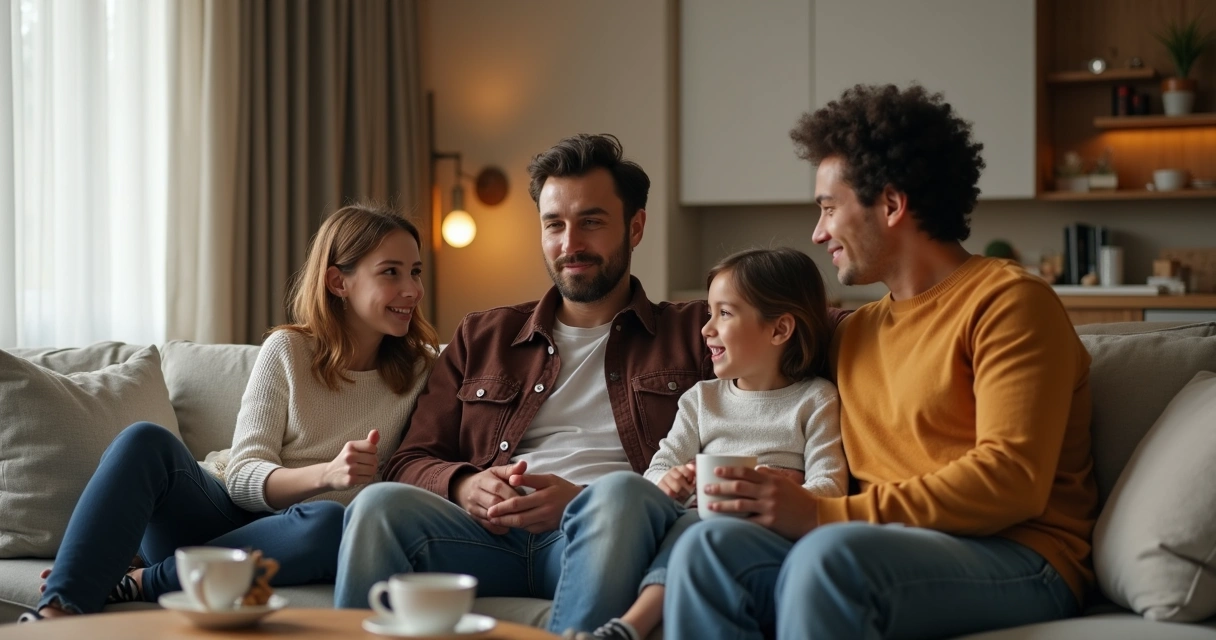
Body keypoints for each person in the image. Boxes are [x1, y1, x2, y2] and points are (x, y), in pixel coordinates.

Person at [663, 83, 1098, 639]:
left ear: (891, 205)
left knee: (829, 559)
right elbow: (762, 361)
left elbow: (1012, 481)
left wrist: (820, 515)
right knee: (706, 548)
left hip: (1019, 555)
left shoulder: (1008, 303)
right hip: (870, 546)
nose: (818, 233)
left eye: (829, 209)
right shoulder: (854, 332)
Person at [333, 134, 712, 634]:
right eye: (554, 224)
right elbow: (409, 461)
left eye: (591, 222)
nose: (570, 244)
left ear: (635, 227)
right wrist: (464, 484)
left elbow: (731, 446)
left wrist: (578, 501)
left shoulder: (698, 332)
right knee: (377, 505)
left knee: (619, 494)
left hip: (602, 532)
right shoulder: (483, 335)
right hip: (483, 537)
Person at [22, 204, 439, 621]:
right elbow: (242, 476)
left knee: (332, 524)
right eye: (391, 272)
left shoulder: (424, 371)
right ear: (338, 282)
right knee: (144, 440)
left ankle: (145, 580)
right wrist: (326, 474)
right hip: (218, 516)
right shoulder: (288, 350)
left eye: (416, 272)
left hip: (298, 536)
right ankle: (55, 613)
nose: (413, 290)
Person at [569, 247, 848, 640]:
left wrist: (787, 494)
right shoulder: (702, 400)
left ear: (779, 330)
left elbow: (831, 487)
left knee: (698, 531)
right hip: (696, 522)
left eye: (725, 313)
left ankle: (629, 627)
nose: (706, 329)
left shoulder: (816, 400)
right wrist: (668, 481)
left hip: (764, 537)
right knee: (688, 524)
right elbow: (658, 467)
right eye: (709, 313)